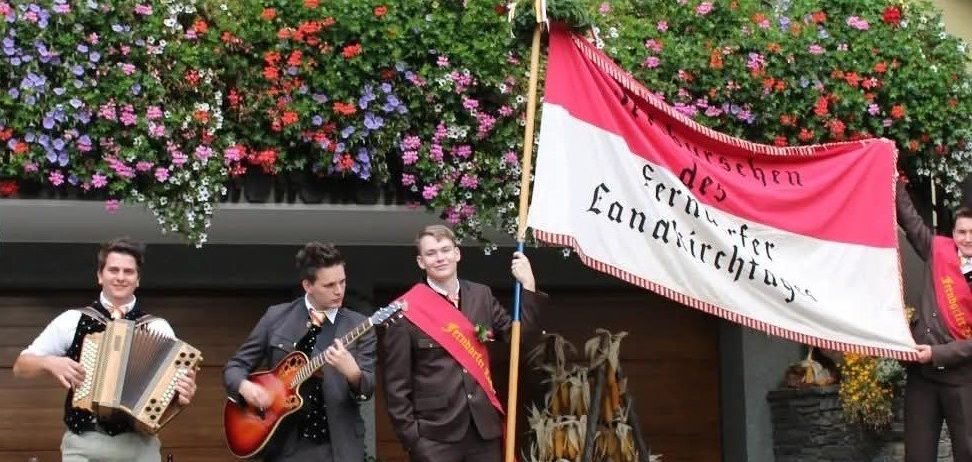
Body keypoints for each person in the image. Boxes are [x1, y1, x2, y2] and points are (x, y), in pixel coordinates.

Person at [12, 237, 197, 462]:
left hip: (140, 447)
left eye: (128, 272)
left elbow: (174, 396)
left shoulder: (158, 327)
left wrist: (183, 394)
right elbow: (21, 366)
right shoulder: (72, 320)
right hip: (84, 445)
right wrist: (49, 362)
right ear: (100, 275)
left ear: (138, 279)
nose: (120, 277)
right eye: (113, 270)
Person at [380, 224, 548, 462]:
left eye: (445, 250)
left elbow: (519, 341)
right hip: (434, 436)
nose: (440, 258)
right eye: (431, 253)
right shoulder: (405, 310)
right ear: (421, 261)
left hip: (483, 431)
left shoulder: (482, 296)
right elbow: (396, 387)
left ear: (457, 253)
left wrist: (529, 286)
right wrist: (413, 440)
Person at [224, 242, 375, 461]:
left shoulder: (359, 326)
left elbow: (367, 389)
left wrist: (353, 373)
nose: (339, 290)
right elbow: (235, 367)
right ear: (308, 285)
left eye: (342, 282)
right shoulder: (276, 317)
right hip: (285, 446)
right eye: (329, 285)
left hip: (339, 447)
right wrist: (244, 387)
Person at [896, 180, 972, 462]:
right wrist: (895, 181)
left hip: (964, 380)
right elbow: (910, 220)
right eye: (961, 232)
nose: (967, 238)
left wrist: (936, 353)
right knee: (917, 456)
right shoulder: (938, 251)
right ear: (953, 234)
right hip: (923, 379)